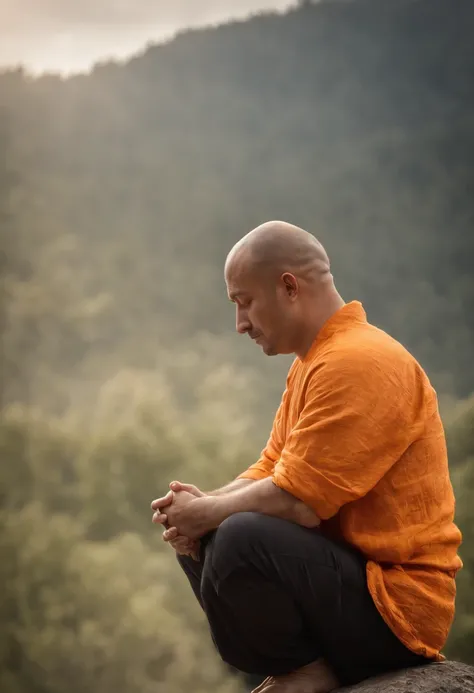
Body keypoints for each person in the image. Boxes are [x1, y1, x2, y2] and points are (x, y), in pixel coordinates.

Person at [151, 221, 463, 693]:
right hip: (347, 591)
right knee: (211, 531)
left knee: (237, 534)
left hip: (395, 608)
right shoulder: (312, 364)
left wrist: (211, 511)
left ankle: (305, 670)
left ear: (289, 287)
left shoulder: (360, 361)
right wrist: (198, 507)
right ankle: (302, 666)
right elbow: (273, 466)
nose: (240, 324)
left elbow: (299, 502)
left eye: (244, 302)